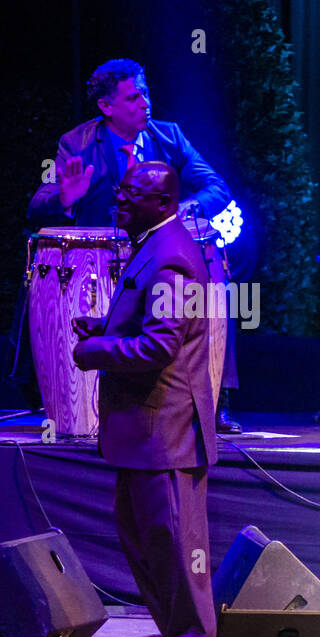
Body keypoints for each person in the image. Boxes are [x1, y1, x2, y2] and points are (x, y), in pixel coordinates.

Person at [28, 58, 241, 432]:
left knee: (211, 274)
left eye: (144, 93)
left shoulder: (168, 136)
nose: (144, 102)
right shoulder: (75, 143)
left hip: (159, 256)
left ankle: (216, 397)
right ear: (106, 107)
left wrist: (180, 211)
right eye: (132, 97)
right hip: (98, 261)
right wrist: (64, 196)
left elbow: (216, 189)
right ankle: (79, 406)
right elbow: (36, 204)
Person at [72, 161, 218, 637]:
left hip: (166, 431)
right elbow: (149, 326)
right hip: (145, 432)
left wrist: (94, 352)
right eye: (121, 192)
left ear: (163, 202)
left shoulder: (172, 256)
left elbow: (158, 346)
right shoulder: (155, 244)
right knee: (146, 544)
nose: (120, 201)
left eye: (132, 195)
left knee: (176, 548)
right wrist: (106, 326)